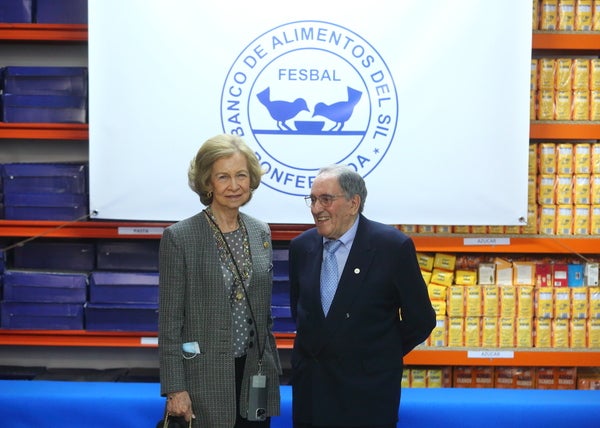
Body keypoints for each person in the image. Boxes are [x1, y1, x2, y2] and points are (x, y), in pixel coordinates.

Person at [288, 164, 436, 428]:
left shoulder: (392, 247)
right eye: (312, 199)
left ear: (353, 203)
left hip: (367, 394)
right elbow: (300, 312)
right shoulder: (301, 247)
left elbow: (421, 319)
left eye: (326, 199)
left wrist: (377, 354)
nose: (316, 208)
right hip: (312, 393)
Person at [158, 133, 281, 427]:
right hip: (203, 378)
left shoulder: (260, 232)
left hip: (255, 376)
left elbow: (264, 314)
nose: (234, 185)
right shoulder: (180, 237)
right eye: (223, 177)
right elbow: (170, 321)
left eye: (241, 175)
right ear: (207, 182)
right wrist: (175, 389)